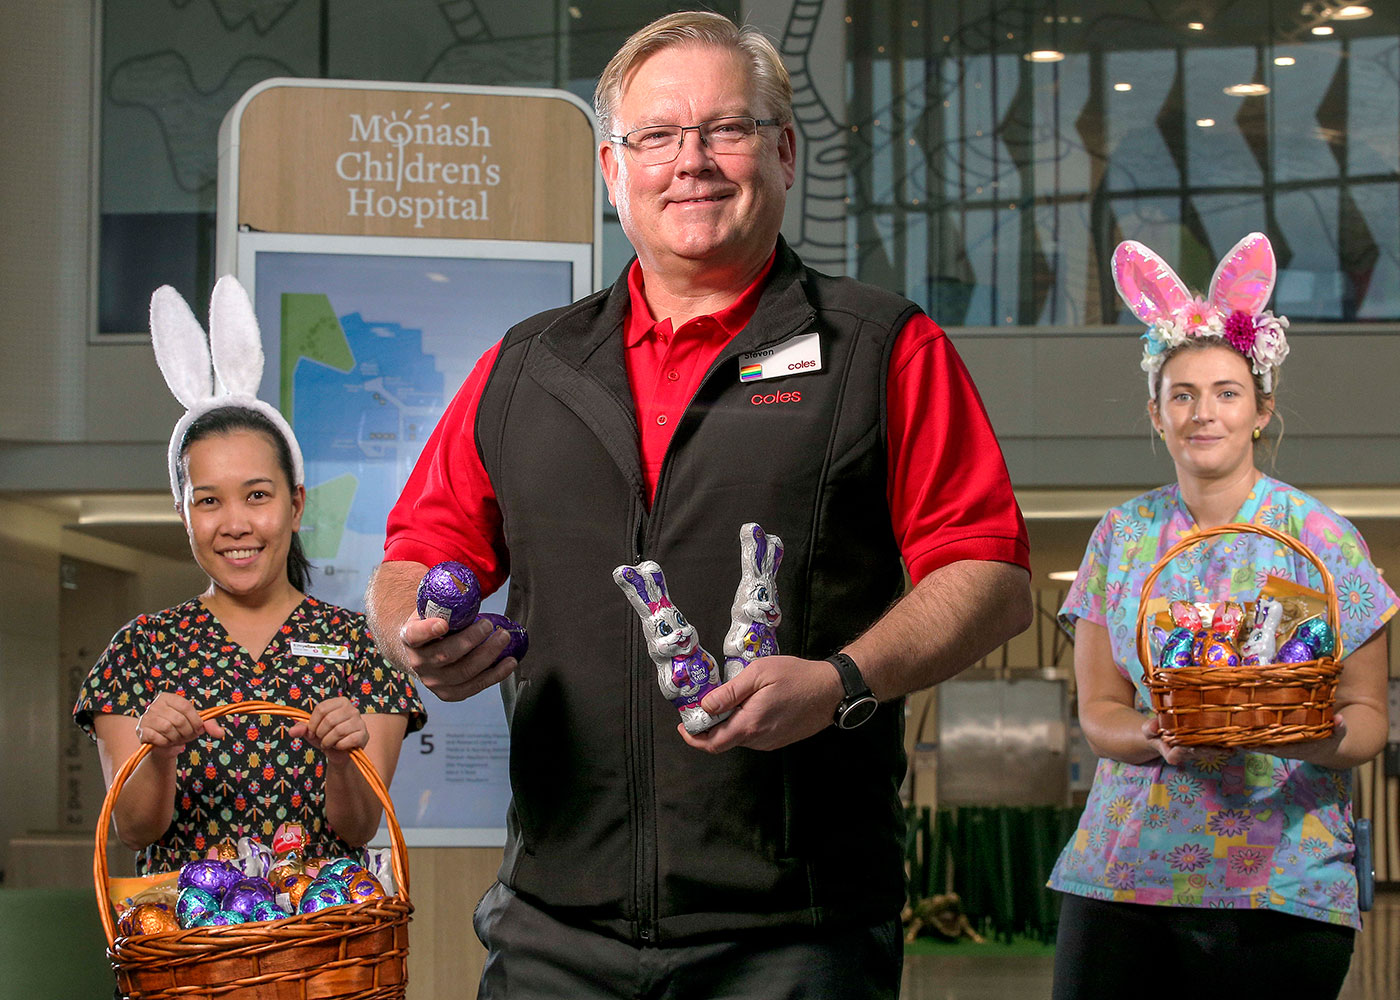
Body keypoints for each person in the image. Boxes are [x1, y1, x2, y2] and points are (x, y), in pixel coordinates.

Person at [366, 11, 1032, 997]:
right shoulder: (527, 365)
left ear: (784, 149)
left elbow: (989, 573)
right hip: (556, 926)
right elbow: (419, 547)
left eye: (725, 129)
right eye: (656, 136)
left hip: (794, 937)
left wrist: (843, 679)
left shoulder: (879, 348)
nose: (692, 161)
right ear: (611, 166)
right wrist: (412, 628)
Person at [1049, 233, 1395, 999]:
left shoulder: (1321, 540)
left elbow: (1367, 717)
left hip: (1282, 883)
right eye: (1182, 394)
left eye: (1227, 392)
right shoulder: (1123, 535)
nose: (1204, 413)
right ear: (1157, 412)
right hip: (1125, 876)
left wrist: (1311, 737)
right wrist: (1149, 735)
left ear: (1262, 409)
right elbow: (1101, 709)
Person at [75, 278, 425, 875]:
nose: (235, 524)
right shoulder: (141, 651)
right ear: (183, 513)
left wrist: (343, 761)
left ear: (295, 504)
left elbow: (362, 827)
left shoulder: (360, 646)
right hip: (186, 953)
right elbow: (134, 832)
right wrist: (157, 756)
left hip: (326, 945)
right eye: (208, 501)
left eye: (256, 495)